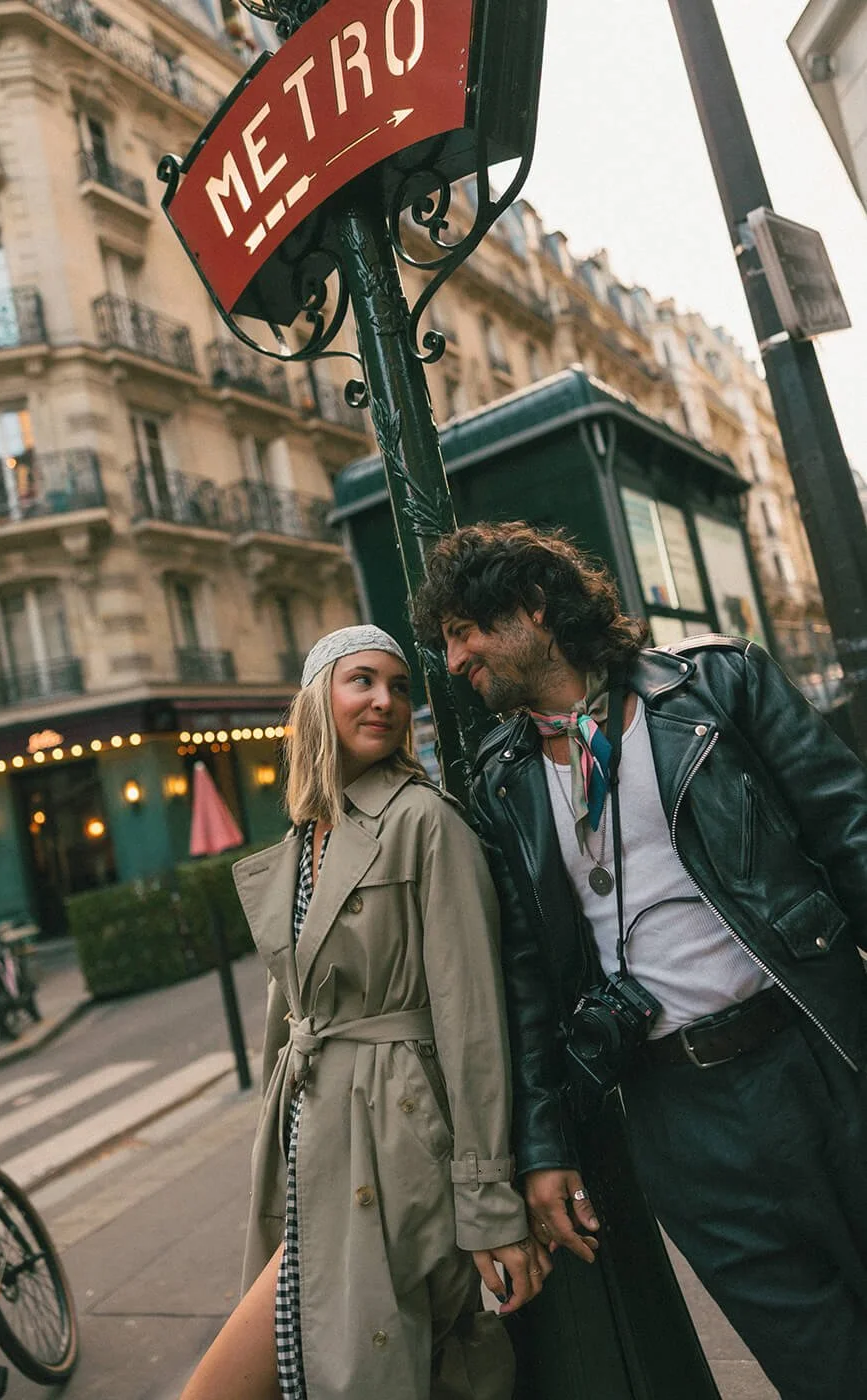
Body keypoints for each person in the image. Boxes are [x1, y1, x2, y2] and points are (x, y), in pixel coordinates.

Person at [410, 522, 867, 1400]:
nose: (455, 656)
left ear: (534, 607)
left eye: (466, 629)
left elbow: (848, 832)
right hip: (678, 1120)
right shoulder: (500, 781)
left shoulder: (716, 681)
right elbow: (526, 980)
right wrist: (542, 1149)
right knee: (820, 1368)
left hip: (822, 1051)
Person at [179, 625, 548, 1400]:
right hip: (309, 1135)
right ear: (318, 701)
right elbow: (294, 1009)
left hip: (393, 1136)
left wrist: (487, 1205)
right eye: (362, 681)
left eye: (399, 686)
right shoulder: (304, 834)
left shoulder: (424, 822)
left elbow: (472, 1022)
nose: (385, 700)